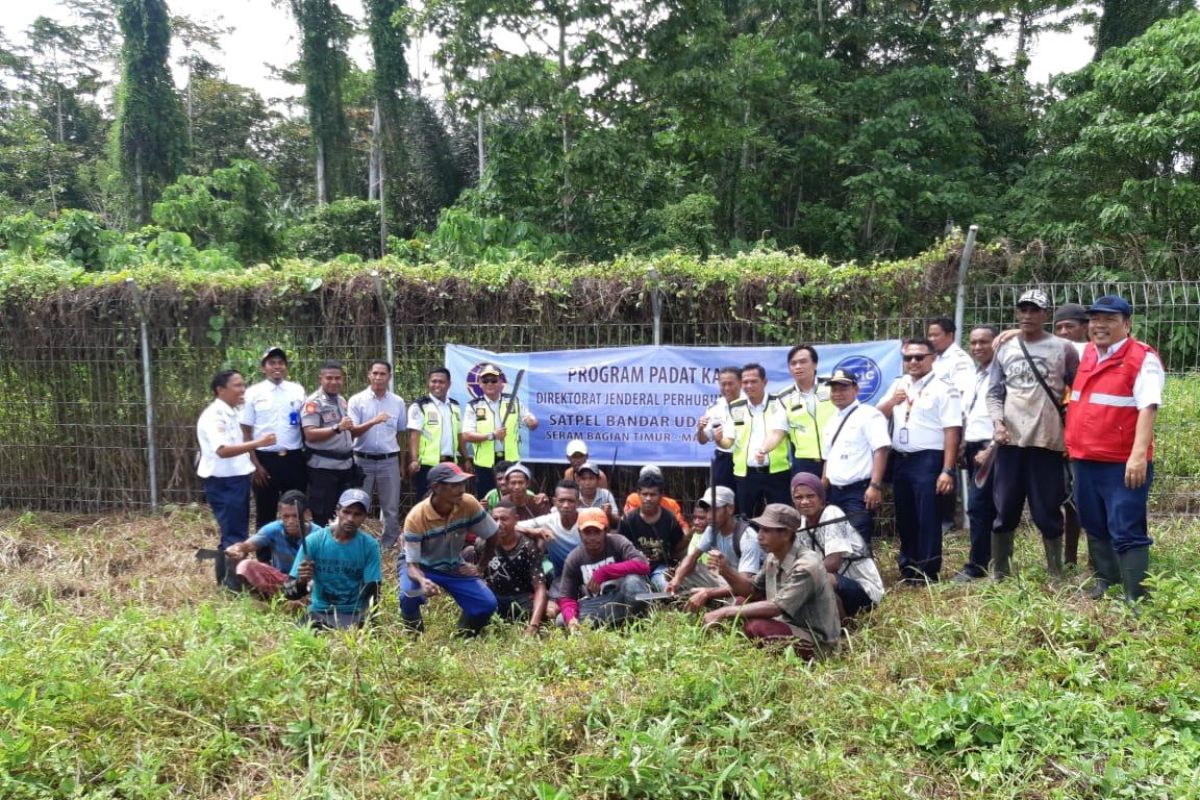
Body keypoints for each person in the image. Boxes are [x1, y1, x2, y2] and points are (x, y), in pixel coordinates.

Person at [1065, 295, 1163, 603]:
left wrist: (1138, 456)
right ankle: (1107, 581)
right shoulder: (1089, 353)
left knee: (1126, 526)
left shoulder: (1141, 359)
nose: (1099, 325)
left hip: (1121, 462)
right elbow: (1052, 340)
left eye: (1108, 319)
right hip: (1084, 459)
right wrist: (1013, 333)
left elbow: (1148, 408)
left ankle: (1136, 594)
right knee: (1094, 522)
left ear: (1127, 324)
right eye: (1094, 319)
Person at [987, 289, 1079, 578]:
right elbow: (994, 393)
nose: (1027, 315)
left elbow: (1077, 392)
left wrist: (1070, 428)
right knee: (1005, 510)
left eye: (1034, 310)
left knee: (1047, 509)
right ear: (1017, 313)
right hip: (1011, 442)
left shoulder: (1063, 348)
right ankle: (1000, 571)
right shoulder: (1004, 348)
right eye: (1023, 310)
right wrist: (998, 423)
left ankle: (1056, 572)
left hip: (1047, 442)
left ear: (1046, 315)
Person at [702, 504, 841, 658]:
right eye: (760, 529)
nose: (759, 536)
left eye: (766, 530)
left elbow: (777, 607)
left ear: (786, 534)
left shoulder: (806, 565)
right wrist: (726, 570)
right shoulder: (773, 557)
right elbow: (751, 589)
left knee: (757, 627)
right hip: (786, 621)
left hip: (816, 639)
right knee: (742, 602)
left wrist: (725, 612)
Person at [877, 338, 962, 584]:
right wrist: (893, 401)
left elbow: (952, 431)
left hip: (929, 459)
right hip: (901, 458)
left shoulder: (944, 387)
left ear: (932, 358)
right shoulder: (899, 384)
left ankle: (928, 571)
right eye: (908, 358)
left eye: (919, 357)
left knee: (928, 516)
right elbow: (876, 413)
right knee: (905, 515)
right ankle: (908, 568)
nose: (913, 362)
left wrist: (947, 469)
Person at [197, 369, 277, 588]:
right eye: (237, 386)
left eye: (243, 385)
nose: (243, 390)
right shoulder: (214, 416)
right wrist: (258, 443)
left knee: (235, 532)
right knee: (234, 535)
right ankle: (232, 587)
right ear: (220, 390)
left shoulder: (231, 412)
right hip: (224, 482)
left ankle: (228, 582)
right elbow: (222, 450)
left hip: (236, 479)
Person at [400, 463, 500, 635]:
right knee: (408, 595)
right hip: (421, 567)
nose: (461, 489)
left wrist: (480, 567)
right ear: (436, 488)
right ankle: (414, 637)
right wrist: (423, 581)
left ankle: (463, 635)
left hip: (453, 565)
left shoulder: (468, 503)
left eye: (462, 484)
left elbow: (492, 535)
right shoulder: (416, 517)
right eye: (454, 485)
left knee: (487, 604)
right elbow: (412, 566)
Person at [790, 472, 884, 620]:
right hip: (833, 585)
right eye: (799, 497)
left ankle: (843, 625)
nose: (805, 502)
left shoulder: (832, 514)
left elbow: (833, 563)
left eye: (810, 496)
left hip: (863, 588)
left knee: (822, 578)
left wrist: (796, 581)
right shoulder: (801, 525)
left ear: (821, 498)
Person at [288, 488, 382, 629]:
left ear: (365, 517)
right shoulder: (313, 542)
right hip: (319, 612)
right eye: (346, 512)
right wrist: (302, 580)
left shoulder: (369, 546)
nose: (350, 519)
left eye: (357, 514)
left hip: (353, 613)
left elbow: (373, 589)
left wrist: (370, 623)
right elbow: (290, 593)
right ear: (337, 510)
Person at [951, 326, 1000, 583]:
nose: (978, 347)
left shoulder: (1002, 373)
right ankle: (990, 561)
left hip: (992, 447)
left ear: (996, 343)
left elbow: (1010, 414)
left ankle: (979, 566)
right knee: (981, 507)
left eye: (984, 342)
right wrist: (961, 443)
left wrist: (991, 447)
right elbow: (968, 412)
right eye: (973, 342)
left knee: (980, 506)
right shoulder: (973, 375)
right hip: (972, 446)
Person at [240, 347, 307, 531]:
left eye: (280, 363)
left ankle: (295, 554)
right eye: (272, 363)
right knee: (265, 511)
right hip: (264, 461)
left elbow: (304, 425)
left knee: (295, 509)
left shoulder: (297, 390)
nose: (277, 367)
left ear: (286, 367)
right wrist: (255, 465)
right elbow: (246, 430)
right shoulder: (253, 393)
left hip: (293, 459)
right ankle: (265, 556)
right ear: (264, 368)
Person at [820, 368, 889, 543]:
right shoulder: (831, 421)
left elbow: (881, 450)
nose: (838, 393)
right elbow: (828, 459)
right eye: (834, 389)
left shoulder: (869, 415)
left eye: (843, 388)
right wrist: (822, 490)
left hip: (859, 492)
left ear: (856, 389)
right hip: (835, 493)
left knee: (858, 542)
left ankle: (864, 571)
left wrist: (875, 486)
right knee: (836, 542)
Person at [666, 486, 763, 609]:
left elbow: (746, 587)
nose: (709, 515)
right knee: (685, 569)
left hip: (746, 587)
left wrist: (708, 592)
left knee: (740, 601)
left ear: (730, 509)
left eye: (714, 509)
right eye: (707, 510)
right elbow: (692, 557)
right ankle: (691, 604)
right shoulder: (712, 529)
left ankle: (713, 603)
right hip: (723, 580)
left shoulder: (747, 538)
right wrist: (677, 578)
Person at [558, 508, 651, 630]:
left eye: (597, 532)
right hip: (601, 602)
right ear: (580, 533)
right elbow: (567, 597)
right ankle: (623, 618)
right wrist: (571, 618)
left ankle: (630, 617)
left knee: (634, 584)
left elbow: (643, 565)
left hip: (625, 594)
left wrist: (604, 571)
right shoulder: (574, 559)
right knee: (561, 620)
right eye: (587, 532)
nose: (592, 537)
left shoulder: (618, 542)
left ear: (605, 531)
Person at [717, 363, 791, 517]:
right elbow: (728, 442)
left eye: (754, 381)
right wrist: (718, 439)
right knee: (746, 520)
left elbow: (778, 433)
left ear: (764, 382)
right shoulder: (735, 407)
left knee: (781, 520)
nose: (749, 386)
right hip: (745, 476)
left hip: (777, 473)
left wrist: (763, 450)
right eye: (745, 382)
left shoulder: (779, 403)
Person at [348, 360, 405, 549]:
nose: (378, 377)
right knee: (357, 504)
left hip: (389, 461)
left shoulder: (397, 402)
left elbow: (400, 433)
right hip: (362, 460)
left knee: (391, 507)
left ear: (389, 376)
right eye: (375, 373)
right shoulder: (357, 400)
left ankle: (387, 546)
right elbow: (353, 432)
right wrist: (374, 420)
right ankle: (356, 543)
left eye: (383, 374)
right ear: (369, 375)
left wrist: (402, 463)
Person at [462, 363, 539, 499]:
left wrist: (532, 422)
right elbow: (467, 435)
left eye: (493, 380)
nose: (489, 384)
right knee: (486, 500)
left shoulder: (513, 401)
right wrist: (492, 435)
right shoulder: (473, 406)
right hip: (485, 464)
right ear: (480, 383)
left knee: (514, 500)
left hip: (511, 462)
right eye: (485, 380)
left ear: (501, 382)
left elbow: (530, 420)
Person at [1052, 302, 1089, 567]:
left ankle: (1098, 560)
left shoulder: (1091, 353)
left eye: (1070, 326)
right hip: (1056, 438)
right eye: (1059, 327)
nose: (1064, 332)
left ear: (1085, 327)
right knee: (1065, 500)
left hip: (1084, 439)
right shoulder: (1051, 352)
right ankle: (1069, 559)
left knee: (1083, 500)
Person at [225, 490, 314, 598]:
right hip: (281, 580)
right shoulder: (274, 528)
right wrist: (237, 548)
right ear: (280, 515)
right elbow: (249, 545)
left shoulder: (319, 535)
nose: (290, 521)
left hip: (306, 583)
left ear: (307, 514)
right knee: (246, 566)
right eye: (286, 516)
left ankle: (286, 599)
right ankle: (275, 597)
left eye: (295, 516)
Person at [301, 360, 358, 528]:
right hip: (323, 470)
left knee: (344, 513)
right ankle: (321, 551)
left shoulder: (341, 400)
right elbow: (310, 434)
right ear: (321, 379)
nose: (334, 382)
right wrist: (337, 428)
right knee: (323, 515)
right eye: (329, 378)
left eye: (338, 378)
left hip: (345, 467)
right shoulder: (313, 403)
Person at [479, 502, 549, 633]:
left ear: (516, 519)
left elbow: (540, 587)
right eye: (494, 519)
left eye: (504, 519)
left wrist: (533, 625)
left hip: (522, 598)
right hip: (494, 598)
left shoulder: (528, 547)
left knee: (544, 611)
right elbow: (478, 577)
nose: (498, 523)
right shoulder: (482, 543)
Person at [770, 345, 835, 477]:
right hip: (805, 462)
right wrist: (762, 450)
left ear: (815, 364)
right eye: (793, 363)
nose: (798, 366)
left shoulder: (833, 386)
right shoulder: (783, 397)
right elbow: (777, 432)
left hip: (837, 456)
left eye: (803, 362)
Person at [617, 471, 688, 591]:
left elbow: (678, 549)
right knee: (632, 586)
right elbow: (619, 550)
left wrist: (677, 569)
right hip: (635, 568)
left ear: (661, 495)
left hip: (661, 568)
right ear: (638, 494)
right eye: (644, 494)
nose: (648, 499)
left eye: (653, 494)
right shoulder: (628, 520)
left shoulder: (670, 519)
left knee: (666, 587)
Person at [407, 366, 464, 500]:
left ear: (449, 384)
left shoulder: (455, 406)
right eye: (434, 381)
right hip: (428, 465)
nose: (437, 385)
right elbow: (414, 435)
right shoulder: (420, 406)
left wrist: (466, 459)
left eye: (441, 382)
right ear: (428, 383)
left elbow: (459, 434)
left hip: (451, 464)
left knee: (450, 501)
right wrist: (414, 460)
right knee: (426, 502)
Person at [518, 480, 583, 583]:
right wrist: (536, 531)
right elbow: (512, 526)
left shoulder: (588, 518)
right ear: (554, 502)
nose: (566, 505)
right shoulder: (549, 520)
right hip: (561, 578)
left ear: (578, 503)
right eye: (561, 500)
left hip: (591, 576)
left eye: (570, 501)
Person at [696, 366, 742, 494]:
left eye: (730, 384)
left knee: (744, 506)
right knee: (721, 503)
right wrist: (700, 429)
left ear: (740, 383)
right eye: (723, 384)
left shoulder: (749, 404)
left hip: (745, 460)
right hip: (723, 461)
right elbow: (703, 440)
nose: (727, 388)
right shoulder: (715, 407)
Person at [622, 464, 690, 534]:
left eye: (654, 478)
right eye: (646, 478)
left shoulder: (671, 503)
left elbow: (683, 526)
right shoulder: (633, 499)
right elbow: (628, 524)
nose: (650, 481)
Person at [928, 316, 975, 396]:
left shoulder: (960, 360)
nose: (931, 339)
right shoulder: (935, 358)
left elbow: (963, 393)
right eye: (929, 335)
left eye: (936, 335)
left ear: (950, 335)